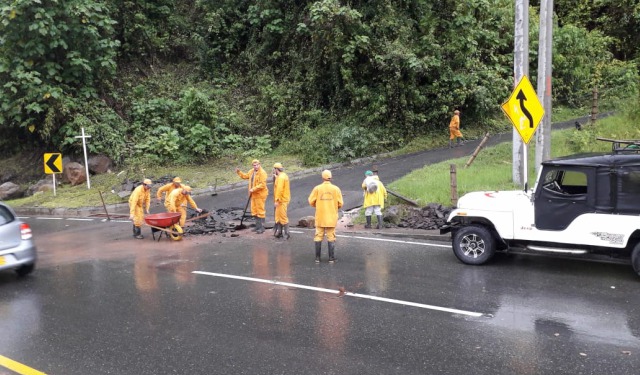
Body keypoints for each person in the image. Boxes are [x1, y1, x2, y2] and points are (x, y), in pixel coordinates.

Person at [308, 170, 343, 263]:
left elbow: (311, 201)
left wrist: (318, 205)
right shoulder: (336, 189)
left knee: (318, 235)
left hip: (320, 216)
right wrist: (334, 207)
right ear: (330, 177)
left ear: (322, 177)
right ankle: (331, 258)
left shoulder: (317, 188)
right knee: (331, 235)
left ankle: (317, 258)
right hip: (331, 216)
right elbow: (340, 203)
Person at [236, 159, 269, 234]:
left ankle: (261, 228)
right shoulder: (251, 171)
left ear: (259, 164)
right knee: (254, 210)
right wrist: (239, 172)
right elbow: (245, 176)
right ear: (252, 166)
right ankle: (257, 226)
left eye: (257, 165)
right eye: (254, 165)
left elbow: (262, 185)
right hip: (253, 195)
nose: (256, 166)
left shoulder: (262, 173)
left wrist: (253, 189)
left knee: (260, 210)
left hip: (260, 195)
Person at [272, 162, 291, 239]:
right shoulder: (282, 176)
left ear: (276, 169)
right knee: (278, 216)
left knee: (282, 216)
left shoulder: (281, 178)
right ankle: (279, 232)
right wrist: (276, 177)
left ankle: (287, 234)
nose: (273, 170)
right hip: (282, 199)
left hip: (281, 200)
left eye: (274, 169)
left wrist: (277, 200)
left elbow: (279, 190)